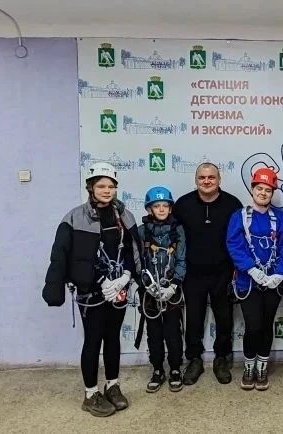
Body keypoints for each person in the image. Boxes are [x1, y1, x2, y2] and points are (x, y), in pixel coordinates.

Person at [42, 162, 140, 417]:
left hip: (118, 289)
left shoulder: (124, 216)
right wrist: (101, 282)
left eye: (111, 186)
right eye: (101, 186)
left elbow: (132, 250)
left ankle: (113, 386)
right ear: (91, 188)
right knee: (93, 339)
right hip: (91, 291)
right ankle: (90, 394)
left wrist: (126, 277)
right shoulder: (75, 218)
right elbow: (68, 256)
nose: (107, 191)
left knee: (113, 338)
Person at [172, 163, 243, 385]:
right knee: (193, 319)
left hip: (224, 272)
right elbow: (173, 237)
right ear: (196, 180)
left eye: (211, 177)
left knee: (224, 318)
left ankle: (222, 358)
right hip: (192, 273)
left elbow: (241, 238)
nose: (207, 181)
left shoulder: (233, 204)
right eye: (202, 177)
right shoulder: (183, 204)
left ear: (219, 179)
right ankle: (194, 359)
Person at [226, 167, 283, 391]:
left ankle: (262, 366)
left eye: (268, 190)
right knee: (253, 326)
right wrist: (251, 270)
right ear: (252, 189)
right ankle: (249, 366)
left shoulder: (281, 219)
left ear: (272, 193)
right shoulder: (239, 217)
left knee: (266, 324)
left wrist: (280, 274)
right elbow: (234, 245)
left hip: (273, 282)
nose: (263, 193)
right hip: (248, 282)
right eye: (260, 188)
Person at [135, 186, 186, 393]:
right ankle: (157, 369)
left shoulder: (178, 230)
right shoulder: (141, 232)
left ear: (170, 208)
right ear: (149, 209)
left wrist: (174, 285)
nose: (162, 209)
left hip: (172, 290)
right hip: (149, 292)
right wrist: (147, 285)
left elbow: (181, 259)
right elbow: (137, 261)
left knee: (173, 332)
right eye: (157, 206)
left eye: (165, 205)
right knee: (154, 333)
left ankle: (175, 368)